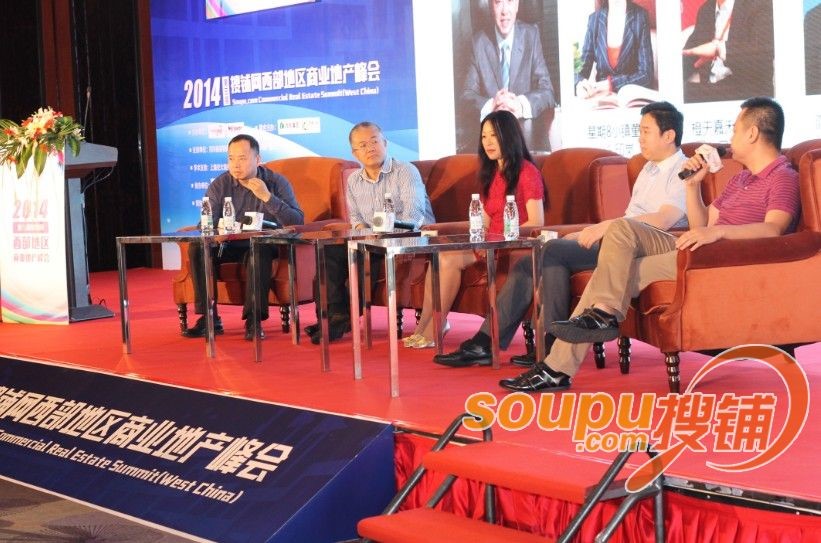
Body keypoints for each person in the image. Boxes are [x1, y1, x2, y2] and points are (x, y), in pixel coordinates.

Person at [500, 96, 800, 392]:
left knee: (610, 275)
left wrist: (718, 234)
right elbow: (701, 226)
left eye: (734, 129)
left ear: (752, 133)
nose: (730, 136)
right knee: (622, 228)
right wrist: (692, 186)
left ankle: (557, 367)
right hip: (695, 247)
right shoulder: (740, 180)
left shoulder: (782, 177)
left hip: (717, 258)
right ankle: (599, 318)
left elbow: (773, 229)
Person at [435, 101, 688, 367]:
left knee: (550, 252)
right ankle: (533, 344)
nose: (640, 138)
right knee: (539, 259)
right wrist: (587, 232)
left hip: (645, 245)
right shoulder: (647, 168)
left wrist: (606, 227)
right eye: (639, 131)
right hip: (620, 241)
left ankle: (500, 343)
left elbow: (664, 219)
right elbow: (629, 219)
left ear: (668, 135)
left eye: (646, 131)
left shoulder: (682, 170)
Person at [403, 109, 545, 349]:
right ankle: (423, 328)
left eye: (494, 136)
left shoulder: (527, 172)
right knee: (439, 255)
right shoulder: (493, 173)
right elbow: (483, 222)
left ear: (509, 136)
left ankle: (436, 328)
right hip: (487, 245)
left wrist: (505, 236)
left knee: (448, 260)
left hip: (510, 247)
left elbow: (537, 221)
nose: (488, 142)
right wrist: (449, 234)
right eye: (484, 136)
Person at [304, 121, 435, 345]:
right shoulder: (354, 180)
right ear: (354, 153)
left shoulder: (405, 171)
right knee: (328, 251)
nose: (370, 148)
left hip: (408, 239)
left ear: (385, 143)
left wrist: (378, 236)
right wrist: (362, 234)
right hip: (372, 241)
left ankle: (339, 319)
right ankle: (334, 316)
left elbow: (413, 217)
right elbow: (356, 219)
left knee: (366, 255)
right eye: (363, 145)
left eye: (374, 141)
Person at [184, 134, 304, 341]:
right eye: (231, 158)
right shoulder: (220, 184)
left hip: (262, 244)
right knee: (198, 247)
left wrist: (267, 197)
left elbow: (297, 221)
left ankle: (253, 320)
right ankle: (209, 317)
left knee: (259, 248)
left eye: (242, 158)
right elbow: (205, 223)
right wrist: (216, 234)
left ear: (258, 159)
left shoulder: (276, 182)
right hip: (228, 244)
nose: (235, 165)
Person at [461, 0, 556, 150]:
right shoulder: (478, 43)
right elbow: (466, 96)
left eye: (510, 1)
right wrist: (492, 105)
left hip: (525, 140)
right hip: (492, 140)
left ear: (517, 5)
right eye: (498, 2)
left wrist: (519, 104)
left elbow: (547, 92)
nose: (505, 11)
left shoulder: (531, 36)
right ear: (491, 6)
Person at [682, 0, 774, 103]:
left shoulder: (759, 3)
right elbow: (689, 54)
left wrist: (719, 49)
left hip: (747, 93)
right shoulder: (706, 9)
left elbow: (763, 53)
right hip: (709, 90)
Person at [575, 0, 655, 101]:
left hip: (631, 100)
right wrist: (579, 84)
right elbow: (580, 69)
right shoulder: (594, 20)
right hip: (602, 101)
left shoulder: (640, 16)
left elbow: (646, 75)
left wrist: (611, 84)